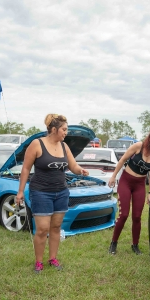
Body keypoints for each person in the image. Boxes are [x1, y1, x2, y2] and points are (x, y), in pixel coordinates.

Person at [16, 114, 89, 273]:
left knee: (55, 227)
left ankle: (53, 258)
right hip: (41, 192)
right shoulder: (37, 144)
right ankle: (38, 262)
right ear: (54, 129)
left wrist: (80, 170)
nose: (66, 133)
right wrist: (20, 191)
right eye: (64, 129)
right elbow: (26, 168)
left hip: (61, 192)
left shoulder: (64, 146)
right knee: (42, 228)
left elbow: (73, 166)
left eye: (66, 129)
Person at [107, 128, 150, 255]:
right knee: (124, 214)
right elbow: (122, 160)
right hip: (126, 182)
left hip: (140, 185)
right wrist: (113, 176)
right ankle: (113, 243)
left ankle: (135, 245)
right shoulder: (138, 146)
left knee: (137, 216)